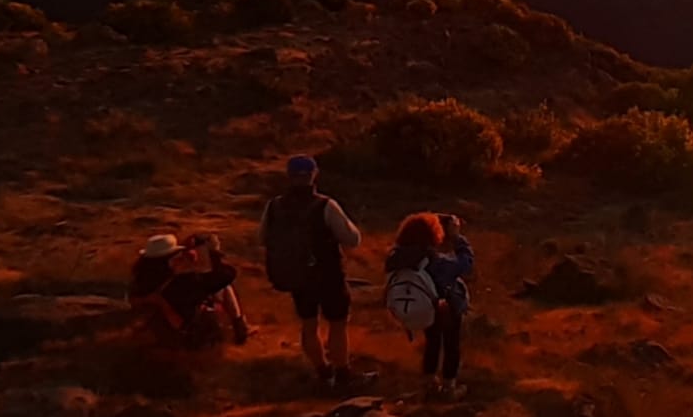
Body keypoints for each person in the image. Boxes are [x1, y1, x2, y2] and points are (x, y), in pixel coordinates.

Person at [260, 155, 367, 389]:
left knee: (309, 324)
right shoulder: (325, 205)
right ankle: (342, 374)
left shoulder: (274, 206)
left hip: (296, 276)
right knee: (337, 324)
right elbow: (352, 239)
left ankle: (322, 371)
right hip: (328, 275)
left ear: (288, 176)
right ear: (314, 174)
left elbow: (263, 238)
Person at [386, 212, 475, 400]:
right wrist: (457, 237)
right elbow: (465, 264)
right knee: (451, 345)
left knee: (432, 343)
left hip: (423, 309)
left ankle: (429, 384)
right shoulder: (435, 262)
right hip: (444, 308)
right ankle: (449, 388)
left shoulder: (397, 259)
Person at [128, 232, 251, 348]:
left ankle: (238, 326)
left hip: (160, 330)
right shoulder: (178, 284)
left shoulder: (144, 278)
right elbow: (180, 323)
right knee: (223, 287)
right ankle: (239, 326)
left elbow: (133, 300)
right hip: (187, 337)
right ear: (170, 259)